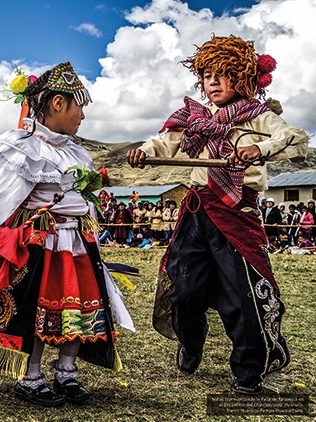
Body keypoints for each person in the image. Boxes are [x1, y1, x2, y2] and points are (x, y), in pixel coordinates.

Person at [0, 63, 134, 406]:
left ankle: (67, 371)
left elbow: (84, 201)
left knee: (82, 310)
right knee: (36, 310)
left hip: (77, 245)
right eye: (79, 105)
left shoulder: (76, 153)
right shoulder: (23, 149)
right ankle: (31, 376)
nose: (83, 115)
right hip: (41, 245)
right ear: (57, 103)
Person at [127, 35, 308, 394]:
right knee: (183, 288)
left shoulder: (260, 116)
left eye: (223, 74)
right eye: (207, 74)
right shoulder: (194, 118)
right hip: (196, 211)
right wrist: (144, 151)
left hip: (237, 210)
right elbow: (164, 142)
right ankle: (190, 344)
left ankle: (249, 370)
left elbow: (297, 139)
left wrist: (260, 147)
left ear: (242, 78)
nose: (213, 81)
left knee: (242, 294)